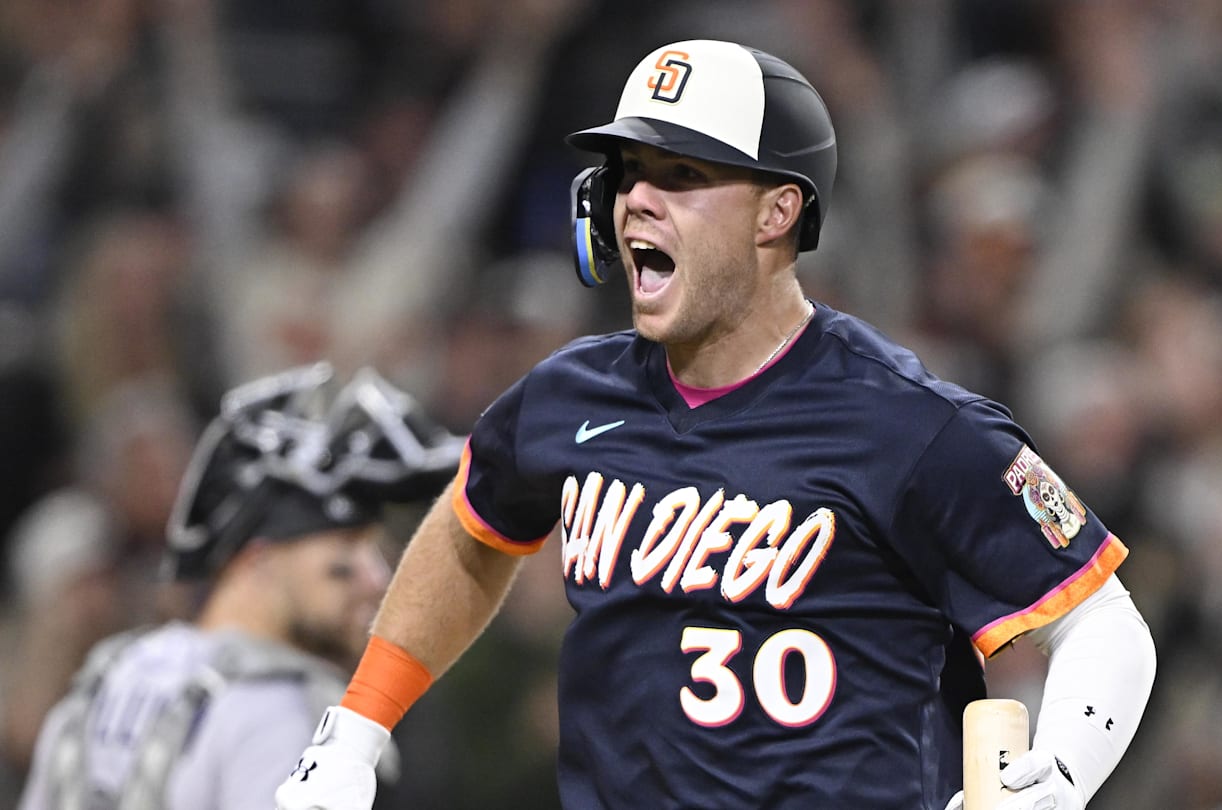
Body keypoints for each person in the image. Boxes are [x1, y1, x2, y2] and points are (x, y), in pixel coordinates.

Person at [275, 40, 1157, 810]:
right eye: (629, 173)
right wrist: (358, 725)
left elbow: (1104, 619)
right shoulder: (569, 397)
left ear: (778, 211)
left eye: (684, 176)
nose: (637, 201)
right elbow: (472, 532)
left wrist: (1064, 773)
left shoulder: (906, 423)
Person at [17, 362, 462, 809]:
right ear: (259, 560)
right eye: (345, 550)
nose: (375, 578)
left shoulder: (114, 673)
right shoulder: (277, 711)